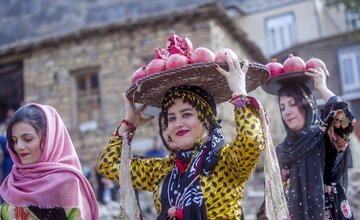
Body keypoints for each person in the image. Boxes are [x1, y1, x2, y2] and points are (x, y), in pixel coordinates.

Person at [97, 53, 288, 219]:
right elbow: (108, 165)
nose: (177, 123)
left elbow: (252, 142)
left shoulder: (227, 162)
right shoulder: (161, 170)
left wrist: (239, 94)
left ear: (207, 119)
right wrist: (129, 122)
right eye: (171, 118)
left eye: (186, 114)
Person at [260, 67, 356, 219]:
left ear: (308, 105)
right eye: (282, 107)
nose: (287, 112)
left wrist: (322, 88)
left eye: (293, 104)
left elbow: (346, 122)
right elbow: (272, 197)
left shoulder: (325, 139)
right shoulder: (281, 151)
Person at [0, 103, 99, 220]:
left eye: (27, 139)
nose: (19, 146)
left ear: (48, 139)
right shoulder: (12, 180)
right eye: (14, 140)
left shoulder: (68, 182)